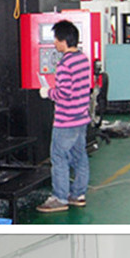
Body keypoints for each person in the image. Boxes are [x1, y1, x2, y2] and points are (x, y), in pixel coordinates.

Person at [37, 20, 91, 214]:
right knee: (80, 157)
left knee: (59, 158)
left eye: (56, 39)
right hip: (81, 118)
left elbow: (64, 93)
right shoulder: (83, 59)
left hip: (66, 121)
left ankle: (60, 198)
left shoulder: (64, 64)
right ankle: (78, 194)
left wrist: (47, 92)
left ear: (63, 40)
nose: (54, 43)